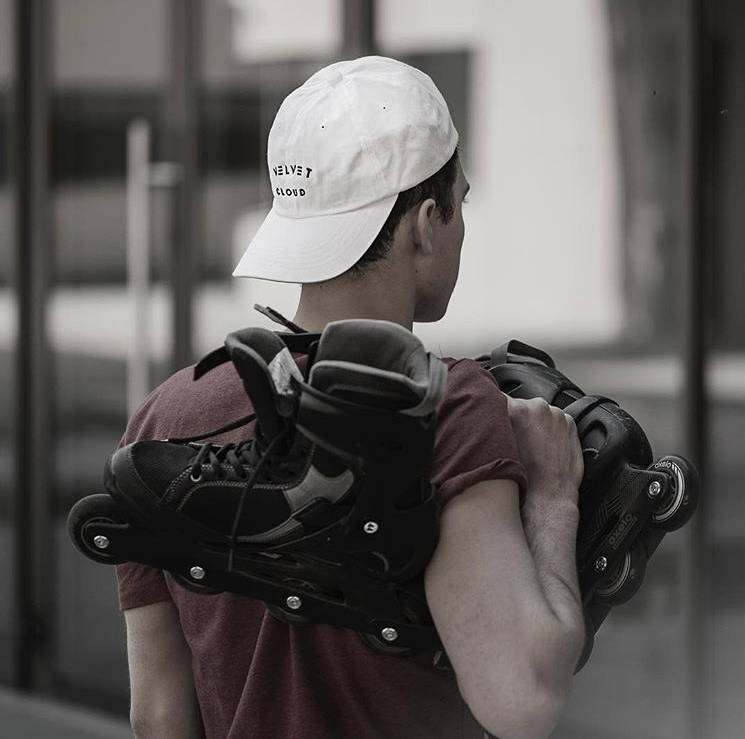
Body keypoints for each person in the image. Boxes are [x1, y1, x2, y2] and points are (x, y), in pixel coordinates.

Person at [117, 56, 585, 739]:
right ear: (426, 221)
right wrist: (553, 496)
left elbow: (158, 716)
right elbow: (526, 699)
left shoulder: (159, 418)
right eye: (461, 204)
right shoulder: (447, 405)